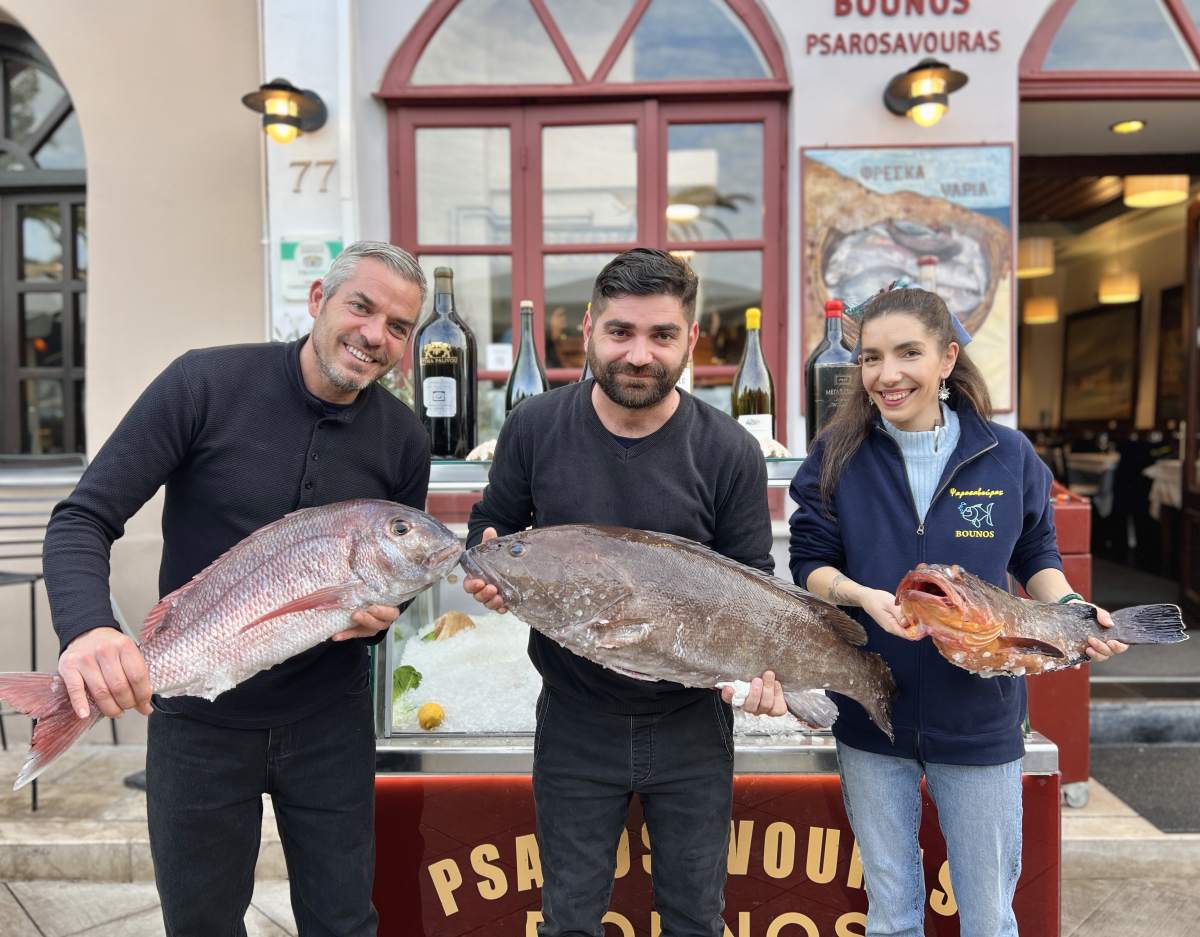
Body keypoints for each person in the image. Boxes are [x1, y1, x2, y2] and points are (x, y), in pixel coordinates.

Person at [42, 241, 432, 937]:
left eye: (398, 326)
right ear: (318, 299)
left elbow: (397, 574)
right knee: (202, 924)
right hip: (197, 723)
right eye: (361, 307)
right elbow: (83, 517)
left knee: (345, 922)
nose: (375, 335)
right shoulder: (204, 383)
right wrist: (89, 628)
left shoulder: (403, 436)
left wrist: (384, 612)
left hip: (330, 722)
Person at [463, 247, 784, 937]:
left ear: (691, 339)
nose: (639, 355)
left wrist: (761, 675)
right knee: (569, 921)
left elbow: (753, 584)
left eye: (662, 335)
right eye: (621, 332)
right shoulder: (534, 427)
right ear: (589, 329)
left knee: (695, 920)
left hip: (694, 723)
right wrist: (490, 569)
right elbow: (492, 523)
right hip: (575, 719)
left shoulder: (728, 449)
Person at [788, 285, 1126, 937]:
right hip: (871, 710)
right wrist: (862, 596)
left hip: (980, 714)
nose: (887, 374)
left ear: (947, 357)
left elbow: (1036, 550)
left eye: (907, 353)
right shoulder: (837, 454)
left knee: (988, 918)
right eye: (871, 358)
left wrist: (1070, 608)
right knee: (891, 917)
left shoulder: (1007, 454)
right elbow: (811, 564)